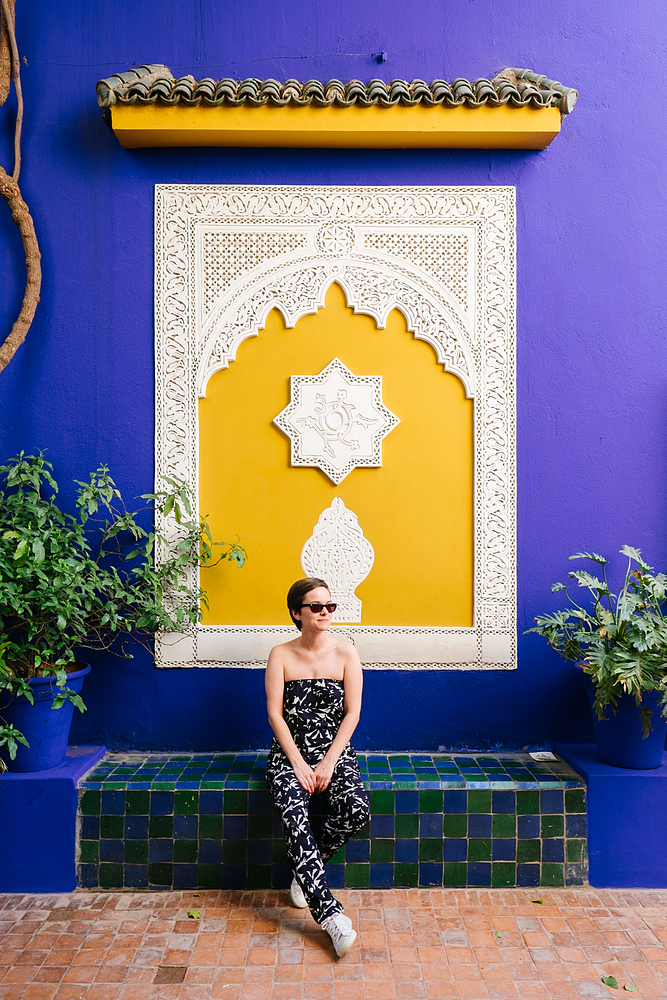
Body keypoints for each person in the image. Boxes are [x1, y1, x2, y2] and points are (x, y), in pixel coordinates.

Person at [265, 577, 369, 958]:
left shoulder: (346, 652)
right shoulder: (280, 654)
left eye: (330, 606)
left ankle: (305, 867)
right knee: (296, 817)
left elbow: (353, 713)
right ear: (297, 612)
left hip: (334, 754)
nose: (325, 612)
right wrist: (298, 764)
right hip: (289, 756)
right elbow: (275, 716)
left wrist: (326, 763)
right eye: (316, 607)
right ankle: (331, 918)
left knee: (357, 809)